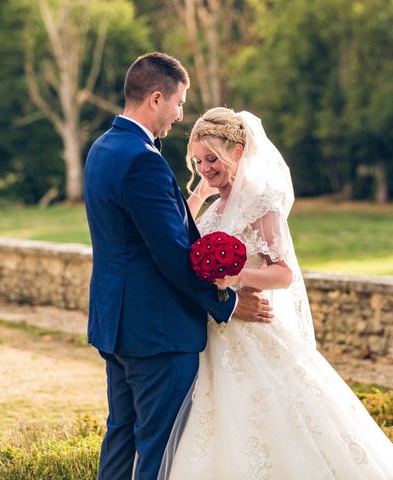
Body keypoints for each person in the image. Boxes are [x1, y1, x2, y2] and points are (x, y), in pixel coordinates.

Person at [158, 107, 393, 479]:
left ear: (237, 152)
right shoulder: (213, 205)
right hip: (216, 332)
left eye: (212, 159)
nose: (203, 168)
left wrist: (233, 275)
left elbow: (282, 274)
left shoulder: (264, 202)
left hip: (253, 330)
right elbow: (181, 238)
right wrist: (200, 197)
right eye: (198, 161)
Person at [83, 54, 273, 480]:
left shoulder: (102, 149)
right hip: (157, 332)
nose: (180, 114)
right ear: (156, 98)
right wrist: (225, 304)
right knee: (160, 447)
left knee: (122, 435)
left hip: (116, 323)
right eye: (179, 102)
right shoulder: (142, 159)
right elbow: (170, 252)